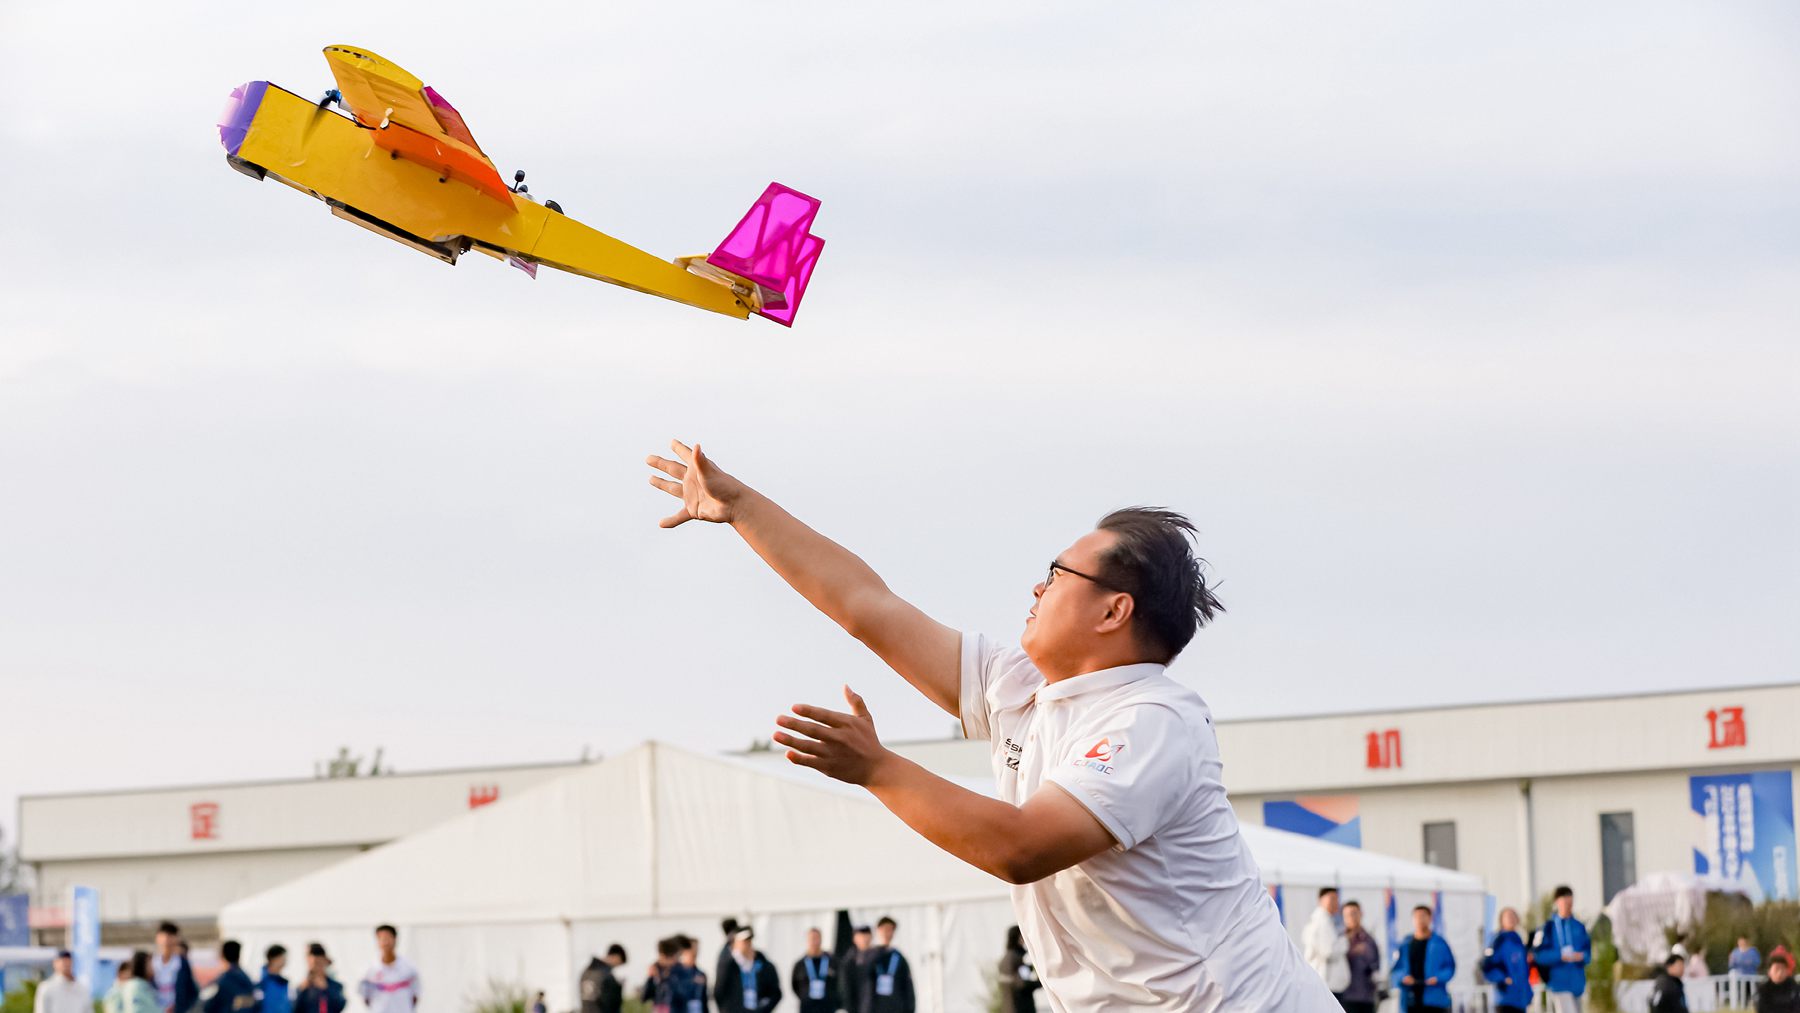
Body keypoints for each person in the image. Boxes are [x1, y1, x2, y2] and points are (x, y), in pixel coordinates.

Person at [646, 441, 1336, 1011]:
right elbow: (867, 606)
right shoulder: (1025, 687)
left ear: (1113, 611)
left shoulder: (1154, 720)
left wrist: (878, 768)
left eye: (1056, 573)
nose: (1036, 588)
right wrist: (740, 507)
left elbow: (1022, 845)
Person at [1531, 886, 1591, 1013]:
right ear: (1557, 902)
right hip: (1559, 983)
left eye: (1570, 902)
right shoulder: (1547, 928)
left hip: (1577, 983)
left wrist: (1581, 956)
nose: (1568, 906)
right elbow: (1539, 955)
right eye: (1565, 902)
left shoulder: (1579, 927)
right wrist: (1560, 956)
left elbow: (1588, 954)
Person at [1390, 906, 1454, 1013]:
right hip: (1410, 999)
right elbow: (1395, 970)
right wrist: (1403, 977)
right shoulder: (1405, 944)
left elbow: (1450, 967)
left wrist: (1438, 978)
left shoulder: (1439, 943)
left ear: (1430, 918)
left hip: (1434, 999)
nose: (1420, 920)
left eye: (1423, 916)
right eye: (1417, 917)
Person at [358, 925, 420, 1013]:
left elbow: (415, 995)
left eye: (388, 938)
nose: (385, 942)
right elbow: (365, 997)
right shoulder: (369, 970)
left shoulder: (409, 968)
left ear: (395, 939)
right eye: (381, 939)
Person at [714, 929, 777, 1013]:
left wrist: (764, 1008)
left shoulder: (762, 963)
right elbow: (719, 991)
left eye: (749, 942)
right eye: (743, 942)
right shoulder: (727, 964)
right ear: (735, 943)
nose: (747, 945)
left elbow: (774, 992)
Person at [1481, 907, 1532, 1013]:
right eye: (1508, 916)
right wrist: (1503, 979)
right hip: (1505, 998)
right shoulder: (1498, 940)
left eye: (1513, 916)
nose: (1511, 919)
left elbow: (1524, 970)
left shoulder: (1519, 940)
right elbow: (1487, 966)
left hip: (1521, 998)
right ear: (1501, 920)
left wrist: (1528, 992)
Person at [1304, 887, 1350, 997]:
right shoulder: (1323, 921)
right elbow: (1329, 951)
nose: (1335, 902)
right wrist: (1345, 941)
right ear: (1320, 900)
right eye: (1331, 898)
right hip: (1328, 983)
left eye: (1336, 899)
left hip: (1326, 982)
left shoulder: (1322, 919)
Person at [862, 918, 914, 1013]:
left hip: (895, 1007)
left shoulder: (898, 957)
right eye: (884, 930)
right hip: (873, 1008)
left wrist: (909, 1008)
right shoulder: (869, 956)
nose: (886, 933)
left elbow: (907, 986)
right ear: (878, 931)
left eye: (890, 930)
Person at [1339, 901, 1381, 1013]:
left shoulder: (1369, 941)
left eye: (1354, 913)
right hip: (1345, 996)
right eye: (1347, 915)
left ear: (1361, 914)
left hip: (1366, 997)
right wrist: (1350, 951)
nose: (1351, 918)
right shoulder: (1339, 940)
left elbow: (1376, 966)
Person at [151, 922, 199, 1013]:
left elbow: (192, 991)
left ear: (176, 939)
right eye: (163, 936)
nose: (166, 940)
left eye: (170, 936)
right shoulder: (151, 963)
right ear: (157, 938)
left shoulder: (182, 964)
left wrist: (183, 1008)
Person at [791, 928, 839, 1013]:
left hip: (827, 1008)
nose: (814, 942)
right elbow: (795, 986)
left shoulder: (832, 961)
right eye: (811, 939)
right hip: (807, 1007)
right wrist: (805, 996)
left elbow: (839, 983)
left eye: (816, 938)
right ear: (807, 941)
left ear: (821, 939)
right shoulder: (800, 964)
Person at [204, 940, 259, 1013]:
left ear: (222, 955)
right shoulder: (246, 978)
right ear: (239, 956)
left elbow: (209, 1006)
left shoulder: (223, 980)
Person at [998, 926, 1040, 1013]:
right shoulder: (1017, 958)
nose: (1024, 939)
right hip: (1021, 1006)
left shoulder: (1006, 958)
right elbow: (1023, 983)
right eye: (1022, 936)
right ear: (1016, 937)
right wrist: (1041, 982)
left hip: (1009, 1007)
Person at [294, 944, 345, 1013]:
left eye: (319, 963)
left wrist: (326, 989)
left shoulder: (335, 986)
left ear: (325, 962)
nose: (316, 967)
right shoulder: (302, 987)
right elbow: (294, 1009)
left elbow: (340, 1005)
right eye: (313, 963)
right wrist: (301, 992)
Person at [580, 944, 628, 1013]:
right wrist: (618, 987)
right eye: (618, 964)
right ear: (617, 957)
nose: (615, 967)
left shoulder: (586, 972)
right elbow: (612, 1005)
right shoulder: (606, 976)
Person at [839, 925, 873, 1013]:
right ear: (854, 939)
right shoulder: (849, 962)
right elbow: (846, 990)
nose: (865, 940)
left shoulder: (877, 959)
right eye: (861, 937)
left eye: (867, 936)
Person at [675, 937, 710, 1013]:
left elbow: (704, 1001)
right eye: (692, 948)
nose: (695, 951)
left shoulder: (701, 974)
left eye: (697, 948)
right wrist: (691, 981)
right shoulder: (676, 973)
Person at [257, 945, 291, 1013]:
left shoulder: (282, 982)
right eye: (283, 957)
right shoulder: (263, 982)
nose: (285, 960)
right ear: (274, 959)